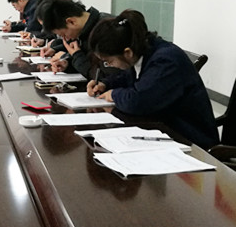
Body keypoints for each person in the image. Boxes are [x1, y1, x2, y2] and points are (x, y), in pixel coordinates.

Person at [86, 10, 219, 148]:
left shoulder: (166, 60)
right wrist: (105, 84)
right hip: (163, 127)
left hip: (191, 139)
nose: (110, 65)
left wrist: (114, 94)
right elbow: (128, 77)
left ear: (127, 52)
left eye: (109, 61)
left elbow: (138, 101)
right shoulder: (143, 50)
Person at [40, 0, 111, 78]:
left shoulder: (106, 30)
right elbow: (88, 61)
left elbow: (103, 76)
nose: (66, 39)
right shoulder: (85, 31)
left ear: (71, 22)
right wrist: (67, 64)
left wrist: (77, 55)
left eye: (64, 34)